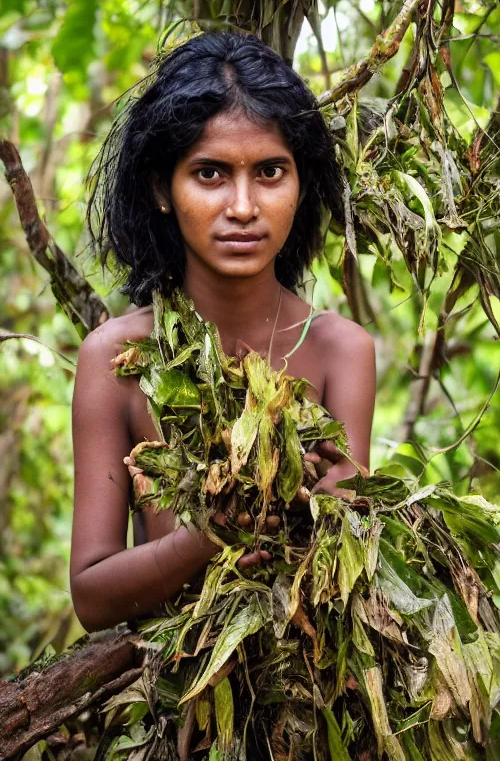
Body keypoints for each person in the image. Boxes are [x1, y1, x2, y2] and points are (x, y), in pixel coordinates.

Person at [71, 31, 376, 634]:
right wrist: (211, 532)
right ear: (163, 188)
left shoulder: (341, 350)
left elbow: (346, 557)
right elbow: (92, 595)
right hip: (174, 705)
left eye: (269, 172)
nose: (242, 206)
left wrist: (324, 505)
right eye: (210, 173)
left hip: (313, 705)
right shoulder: (116, 358)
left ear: (300, 184)